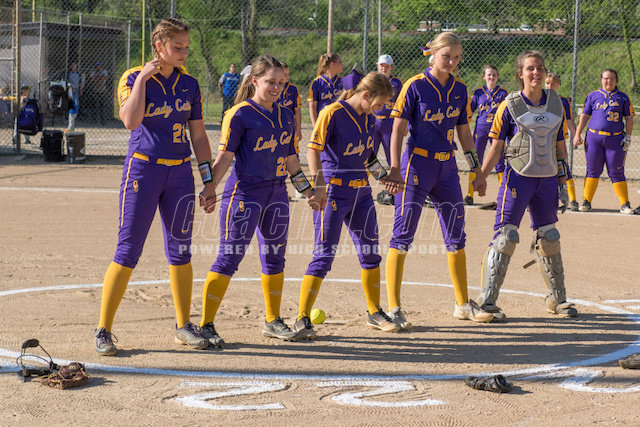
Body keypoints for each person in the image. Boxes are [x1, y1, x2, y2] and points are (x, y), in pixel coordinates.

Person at [94, 18, 216, 356]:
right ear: (159, 46)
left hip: (179, 174)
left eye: (186, 47)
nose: (184, 52)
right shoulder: (133, 77)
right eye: (177, 47)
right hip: (143, 171)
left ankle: (183, 325)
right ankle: (103, 329)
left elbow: (198, 136)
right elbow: (130, 120)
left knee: (181, 251)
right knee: (128, 250)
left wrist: (208, 180)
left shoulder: (189, 84)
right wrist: (145, 78)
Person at [199, 54, 318, 346]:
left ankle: (272, 320)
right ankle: (205, 325)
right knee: (230, 256)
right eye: (270, 82)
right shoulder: (239, 114)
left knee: (275, 256)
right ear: (254, 81)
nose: (277, 88)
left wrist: (308, 191)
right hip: (244, 193)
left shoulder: (286, 116)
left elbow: (291, 161)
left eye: (281, 83)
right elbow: (224, 157)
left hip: (276, 194)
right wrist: (210, 187)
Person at [383, 32, 494, 330]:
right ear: (432, 54)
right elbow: (397, 129)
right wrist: (394, 168)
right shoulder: (415, 85)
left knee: (456, 234)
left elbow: (464, 132)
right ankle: (394, 308)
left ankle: (462, 304)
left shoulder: (460, 88)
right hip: (416, 165)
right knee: (403, 233)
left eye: (457, 57)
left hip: (447, 168)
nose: (452, 62)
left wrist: (476, 170)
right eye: (447, 56)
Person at [473, 50, 578, 322]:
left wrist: (563, 182)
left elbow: (560, 147)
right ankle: (487, 301)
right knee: (506, 236)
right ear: (520, 73)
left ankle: (557, 299)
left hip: (547, 178)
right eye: (530, 68)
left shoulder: (557, 104)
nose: (536, 73)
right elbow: (496, 146)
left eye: (540, 68)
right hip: (517, 178)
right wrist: (481, 175)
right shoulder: (509, 105)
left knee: (550, 237)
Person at [294, 70, 397, 340]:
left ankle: (374, 312)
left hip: (361, 193)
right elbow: (313, 149)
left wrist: (383, 177)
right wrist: (318, 186)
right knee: (324, 256)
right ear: (366, 95)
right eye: (379, 103)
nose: (381, 109)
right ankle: (302, 317)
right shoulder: (332, 112)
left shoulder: (367, 118)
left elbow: (367, 155)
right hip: (333, 193)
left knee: (371, 253)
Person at [573, 68, 635, 214]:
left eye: (612, 78)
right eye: (606, 78)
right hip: (594, 138)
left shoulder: (623, 97)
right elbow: (584, 116)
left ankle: (625, 204)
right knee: (592, 170)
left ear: (616, 80)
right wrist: (577, 134)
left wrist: (628, 137)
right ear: (601, 80)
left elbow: (629, 118)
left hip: (615, 139)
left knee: (616, 171)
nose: (609, 81)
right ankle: (586, 201)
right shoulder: (593, 95)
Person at [465, 65, 509, 205]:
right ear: (484, 77)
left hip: (497, 130)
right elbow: (469, 112)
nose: (491, 77)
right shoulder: (478, 93)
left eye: (494, 75)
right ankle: (470, 194)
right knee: (475, 159)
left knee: (499, 161)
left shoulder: (503, 93)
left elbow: (508, 112)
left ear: (497, 76)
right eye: (489, 75)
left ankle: (502, 195)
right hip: (481, 129)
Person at [545, 72, 579, 211]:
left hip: (558, 139)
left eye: (553, 84)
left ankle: (573, 200)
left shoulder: (563, 101)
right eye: (547, 83)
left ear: (558, 85)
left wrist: (576, 135)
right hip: (543, 139)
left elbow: (569, 120)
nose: (549, 86)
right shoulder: (539, 99)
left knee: (564, 168)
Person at [373, 54, 403, 206]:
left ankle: (391, 191)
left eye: (386, 66)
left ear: (391, 67)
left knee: (392, 159)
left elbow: (403, 104)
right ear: (377, 66)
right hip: (373, 123)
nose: (383, 68)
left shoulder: (397, 83)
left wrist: (404, 125)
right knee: (367, 156)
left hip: (389, 124)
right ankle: (360, 187)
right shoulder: (373, 80)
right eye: (381, 65)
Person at [308, 53, 343, 127]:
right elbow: (312, 106)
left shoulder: (342, 81)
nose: (342, 65)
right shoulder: (317, 82)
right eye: (340, 63)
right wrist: (315, 126)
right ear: (332, 64)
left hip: (339, 121)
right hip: (324, 121)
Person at [277, 62, 302, 151]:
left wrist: (298, 130)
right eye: (285, 74)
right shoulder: (273, 89)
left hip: (290, 126)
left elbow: (297, 111)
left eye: (288, 74)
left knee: (292, 151)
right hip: (276, 126)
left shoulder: (293, 89)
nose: (287, 76)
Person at [67, 63, 83, 131]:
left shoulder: (78, 74)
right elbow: (67, 81)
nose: (74, 68)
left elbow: (80, 82)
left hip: (76, 91)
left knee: (76, 105)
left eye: (75, 67)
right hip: (70, 90)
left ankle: (72, 125)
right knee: (72, 105)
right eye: (73, 67)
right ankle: (70, 126)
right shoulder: (68, 74)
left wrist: (80, 90)